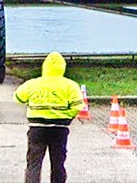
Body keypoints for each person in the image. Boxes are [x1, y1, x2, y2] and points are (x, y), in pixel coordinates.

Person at [14, 51, 85, 183]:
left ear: (44, 66)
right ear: (62, 67)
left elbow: (18, 97)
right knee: (58, 164)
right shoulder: (70, 86)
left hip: (37, 129)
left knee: (34, 163)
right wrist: (67, 117)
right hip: (59, 129)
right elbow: (78, 105)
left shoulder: (33, 84)